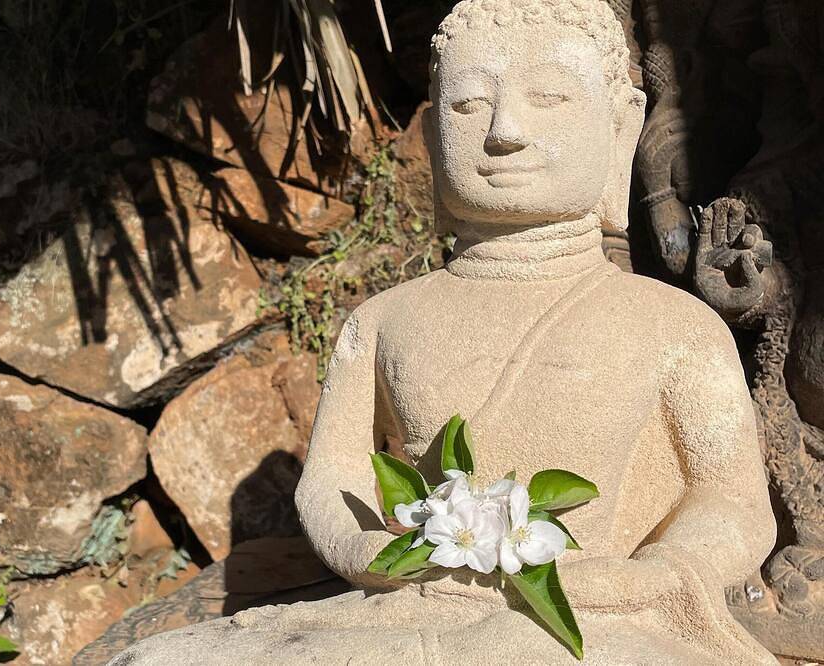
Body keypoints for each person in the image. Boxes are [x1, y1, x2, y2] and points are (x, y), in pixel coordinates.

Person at [112, 1, 776, 662]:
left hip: (593, 618)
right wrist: (367, 548)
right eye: (465, 107)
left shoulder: (673, 325)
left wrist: (656, 573)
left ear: (622, 125)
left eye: (548, 98)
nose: (505, 132)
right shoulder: (383, 320)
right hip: (407, 608)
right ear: (432, 138)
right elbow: (333, 477)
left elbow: (732, 502)